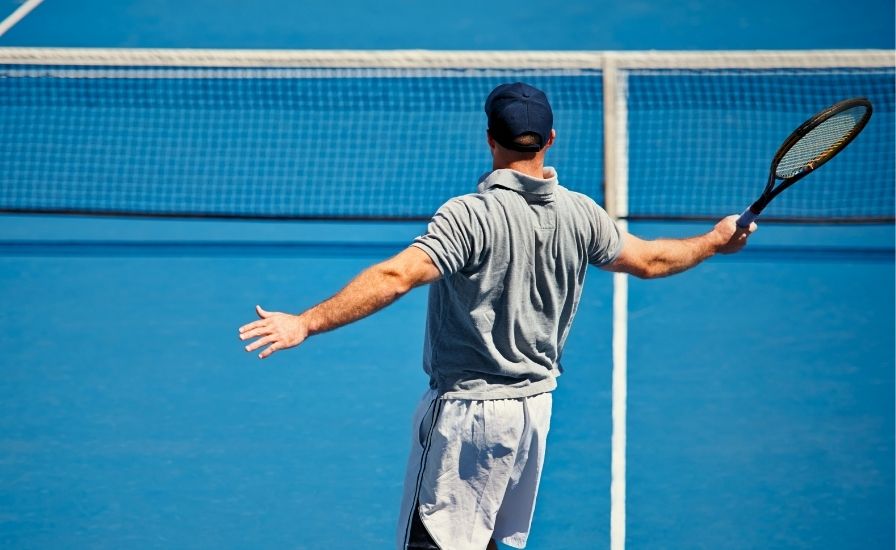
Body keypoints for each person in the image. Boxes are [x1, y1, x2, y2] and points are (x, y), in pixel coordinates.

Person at [238, 82, 756, 550]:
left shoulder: (470, 215)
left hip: (467, 418)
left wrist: (305, 322)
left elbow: (397, 276)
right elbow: (651, 259)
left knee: (433, 543)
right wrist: (713, 240)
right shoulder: (582, 214)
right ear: (550, 138)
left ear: (490, 139)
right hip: (533, 412)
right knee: (478, 537)